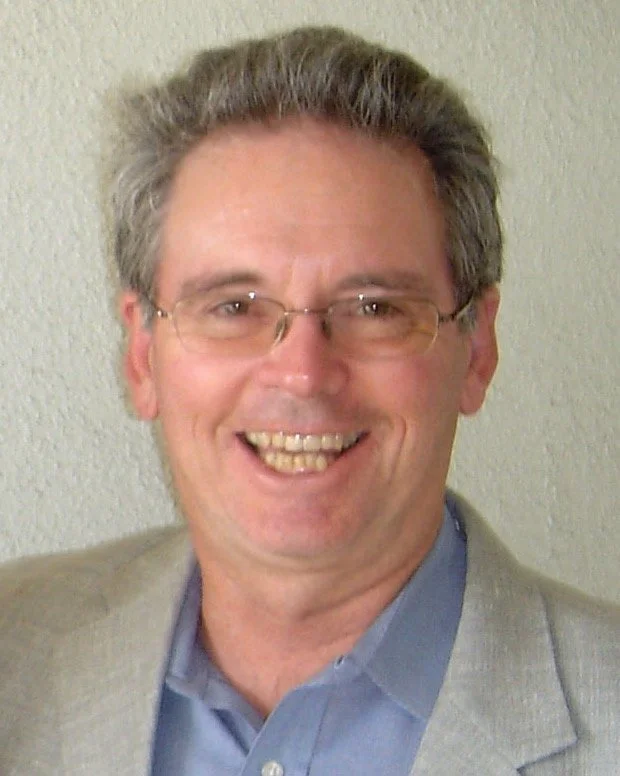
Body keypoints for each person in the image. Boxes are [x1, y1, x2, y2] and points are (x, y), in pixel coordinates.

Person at [1, 26, 618, 775]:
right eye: (234, 307)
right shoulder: (15, 656)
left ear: (476, 349)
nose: (302, 374)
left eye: (374, 308)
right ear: (141, 355)